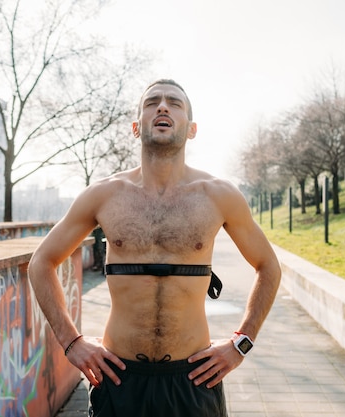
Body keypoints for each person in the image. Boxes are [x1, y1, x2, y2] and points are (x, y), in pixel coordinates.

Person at [28, 79, 281, 416]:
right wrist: (71, 341)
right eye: (152, 102)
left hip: (193, 378)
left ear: (191, 129)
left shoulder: (219, 195)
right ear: (136, 127)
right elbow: (41, 262)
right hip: (119, 377)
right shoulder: (103, 195)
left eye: (174, 103)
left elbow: (268, 266)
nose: (163, 107)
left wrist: (240, 344)